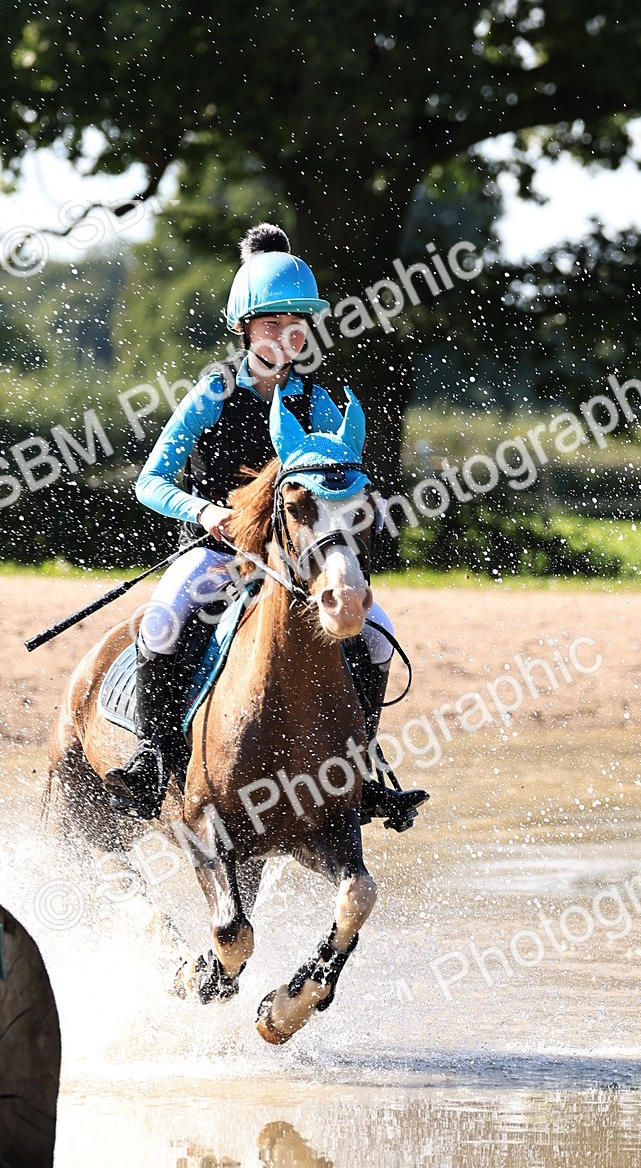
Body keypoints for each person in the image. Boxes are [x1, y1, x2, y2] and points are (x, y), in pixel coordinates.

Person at [104, 224, 424, 827]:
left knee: (376, 632)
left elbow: (341, 480)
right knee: (164, 617)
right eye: (270, 323)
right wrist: (207, 513)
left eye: (295, 323)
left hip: (292, 561)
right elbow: (150, 483)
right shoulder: (213, 392)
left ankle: (360, 766)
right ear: (245, 328)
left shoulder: (319, 402)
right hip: (216, 551)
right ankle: (152, 760)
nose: (284, 335)